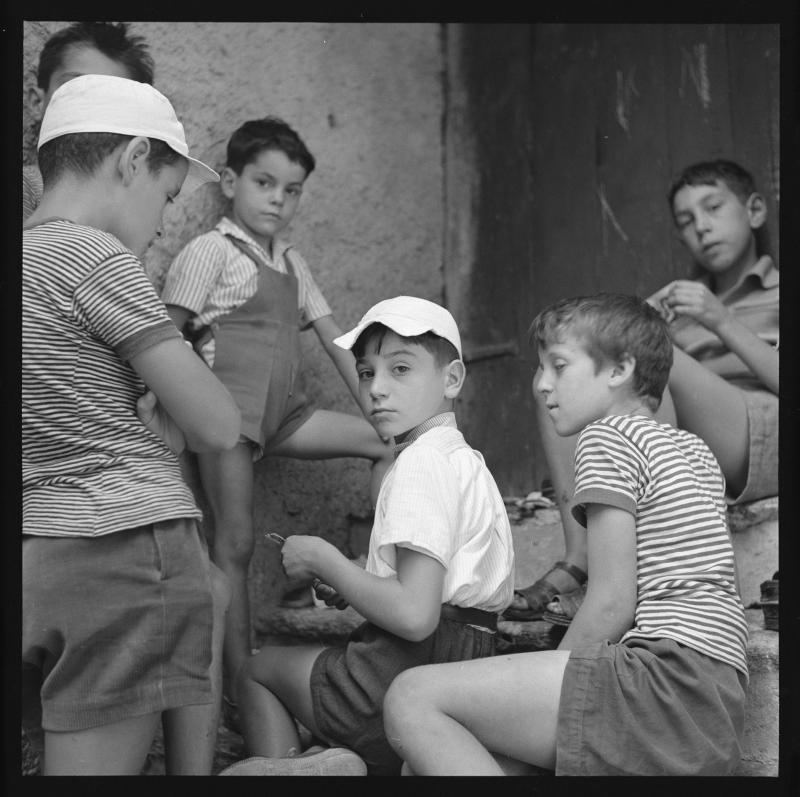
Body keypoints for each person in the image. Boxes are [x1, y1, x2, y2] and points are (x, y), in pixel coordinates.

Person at [383, 293, 749, 776]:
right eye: (540, 368)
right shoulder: (694, 450)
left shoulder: (606, 438)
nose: (540, 385)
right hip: (716, 704)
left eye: (558, 366)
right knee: (433, 762)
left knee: (411, 697)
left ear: (619, 370)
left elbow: (612, 602)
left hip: (662, 682)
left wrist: (543, 673)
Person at [22, 74, 242, 775]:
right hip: (127, 551)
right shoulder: (94, 256)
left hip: (41, 549)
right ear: (133, 158)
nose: (163, 224)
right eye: (168, 199)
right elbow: (217, 426)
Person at [218, 296, 516, 776]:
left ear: (452, 379)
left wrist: (323, 559)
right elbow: (432, 587)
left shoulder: (418, 462)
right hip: (466, 662)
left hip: (402, 669)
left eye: (400, 369)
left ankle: (299, 769)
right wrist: (358, 584)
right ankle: (334, 762)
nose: (377, 388)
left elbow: (415, 615)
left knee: (257, 671)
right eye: (366, 372)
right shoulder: (465, 460)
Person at [160, 116, 394, 717]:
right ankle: (240, 687)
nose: (278, 200)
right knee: (233, 544)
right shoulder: (208, 251)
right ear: (230, 182)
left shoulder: (291, 261)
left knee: (386, 442)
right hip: (226, 418)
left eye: (291, 190)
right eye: (265, 183)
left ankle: (382, 572)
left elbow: (336, 340)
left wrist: (378, 401)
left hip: (283, 414)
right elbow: (164, 331)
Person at [504, 158, 778, 626]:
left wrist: (719, 320)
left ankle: (634, 573)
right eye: (687, 221)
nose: (702, 228)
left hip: (760, 438)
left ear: (754, 211)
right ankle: (580, 558)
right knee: (562, 375)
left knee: (645, 356)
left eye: (713, 208)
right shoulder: (682, 305)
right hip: (690, 449)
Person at [24, 21, 155, 222]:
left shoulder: (129, 217)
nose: (90, 109)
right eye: (75, 89)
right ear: (37, 101)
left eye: (111, 100)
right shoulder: (25, 188)